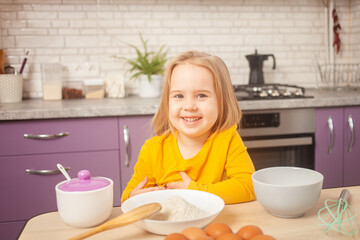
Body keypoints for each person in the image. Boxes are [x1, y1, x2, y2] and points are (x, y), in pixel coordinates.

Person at [121, 50, 255, 204]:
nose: (189, 106)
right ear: (167, 102)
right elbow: (126, 198)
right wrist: (134, 198)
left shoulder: (227, 140)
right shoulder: (153, 150)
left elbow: (248, 186)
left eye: (201, 95)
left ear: (221, 101)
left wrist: (194, 191)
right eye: (179, 96)